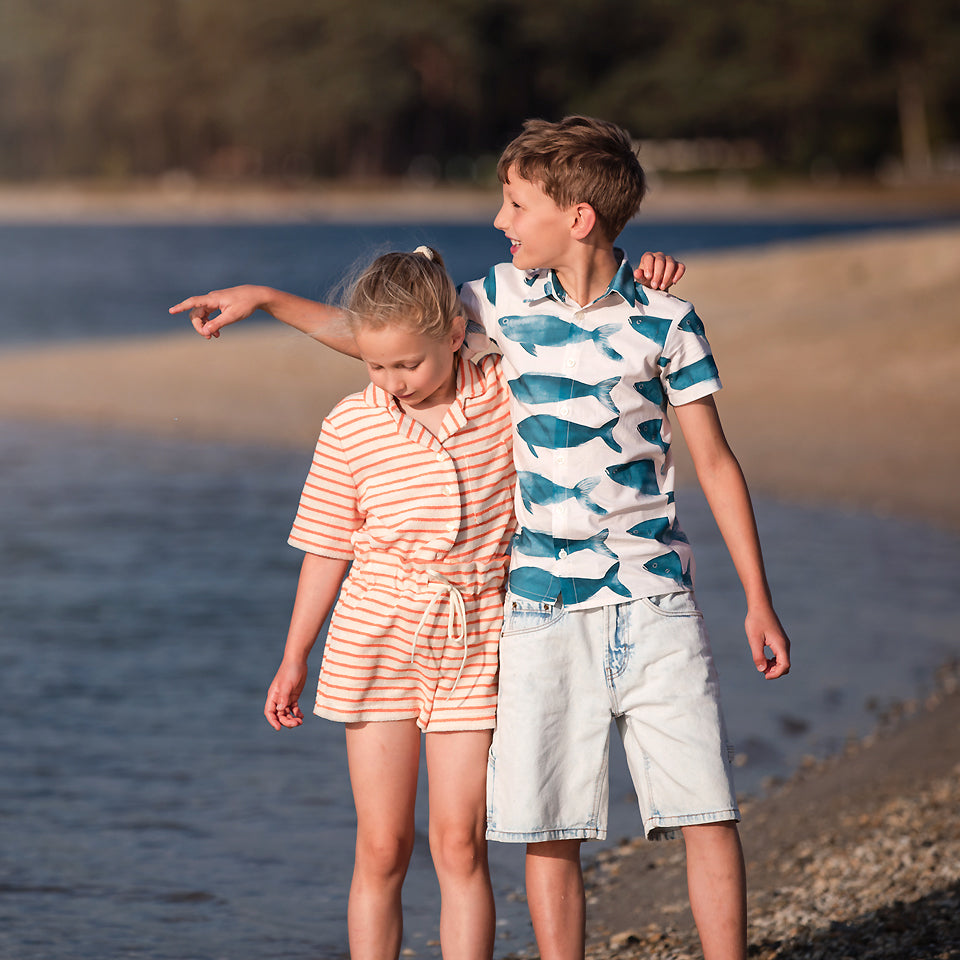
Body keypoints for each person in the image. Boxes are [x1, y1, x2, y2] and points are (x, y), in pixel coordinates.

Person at [171, 115, 786, 960]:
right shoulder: (497, 304)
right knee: (534, 828)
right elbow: (390, 334)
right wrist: (268, 300)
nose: (500, 221)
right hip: (520, 610)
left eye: (516, 205)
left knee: (689, 809)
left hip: (632, 602)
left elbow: (713, 462)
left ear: (577, 217)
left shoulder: (654, 320)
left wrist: (757, 597)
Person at [255, 246, 516, 960]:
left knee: (460, 842)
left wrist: (643, 268)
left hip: (475, 633)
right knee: (382, 845)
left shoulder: (502, 390)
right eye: (376, 365)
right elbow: (325, 549)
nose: (394, 382)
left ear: (457, 336)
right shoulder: (350, 425)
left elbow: (558, 293)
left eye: (408, 364)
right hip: (372, 635)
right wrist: (294, 657)